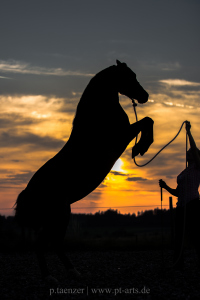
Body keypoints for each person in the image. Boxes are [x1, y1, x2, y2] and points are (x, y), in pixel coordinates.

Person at [159, 121, 200, 269]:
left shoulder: (197, 167)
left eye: (191, 152)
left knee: (195, 235)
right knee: (179, 236)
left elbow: (195, 151)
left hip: (193, 205)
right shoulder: (184, 172)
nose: (188, 152)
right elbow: (178, 192)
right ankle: (178, 263)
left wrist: (188, 132)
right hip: (182, 206)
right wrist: (165, 187)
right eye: (188, 151)